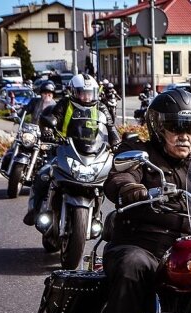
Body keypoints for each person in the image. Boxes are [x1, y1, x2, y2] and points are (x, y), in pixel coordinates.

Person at [95, 89, 191, 313]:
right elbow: (120, 177)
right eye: (175, 127)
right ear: (158, 127)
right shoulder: (139, 153)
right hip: (143, 244)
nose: (184, 136)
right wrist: (132, 188)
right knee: (134, 265)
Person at [23, 73, 121, 226]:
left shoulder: (100, 107)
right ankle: (34, 211)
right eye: (83, 93)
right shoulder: (65, 103)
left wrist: (117, 142)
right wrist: (49, 131)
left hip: (92, 152)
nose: (87, 97)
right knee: (43, 174)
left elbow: (110, 127)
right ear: (74, 92)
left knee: (108, 180)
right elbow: (54, 117)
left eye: (90, 93)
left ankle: (98, 216)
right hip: (63, 147)